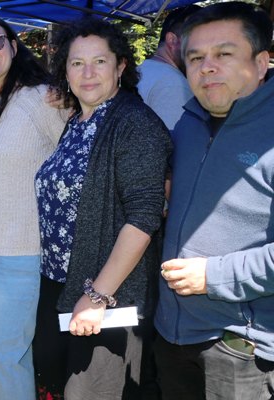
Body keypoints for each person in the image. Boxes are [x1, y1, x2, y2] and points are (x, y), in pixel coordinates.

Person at [33, 18, 170, 399]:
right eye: (77, 63)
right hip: (61, 282)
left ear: (121, 66)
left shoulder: (135, 124)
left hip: (108, 297)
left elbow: (143, 217)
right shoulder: (78, 120)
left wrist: (96, 297)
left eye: (100, 61)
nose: (88, 73)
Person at [155, 3, 274, 399]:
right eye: (195, 57)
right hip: (172, 334)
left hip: (240, 347)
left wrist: (216, 275)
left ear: (261, 63)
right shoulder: (187, 125)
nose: (206, 67)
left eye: (223, 54)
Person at [0, 15, 68, 400]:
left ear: (14, 46)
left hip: (17, 254)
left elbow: (81, 152)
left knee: (5, 356)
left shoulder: (42, 98)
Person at [137, 5, 202, 130]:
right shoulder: (173, 84)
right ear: (172, 40)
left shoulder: (142, 70)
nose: (201, 50)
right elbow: (176, 146)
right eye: (195, 40)